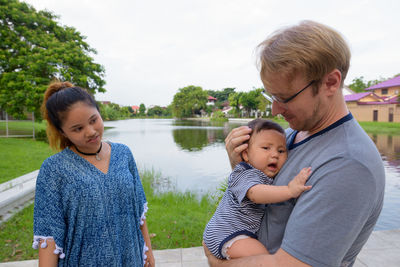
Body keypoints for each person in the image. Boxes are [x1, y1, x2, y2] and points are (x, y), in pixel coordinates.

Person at [203, 20, 385, 267]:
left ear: (330, 83)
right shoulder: (288, 137)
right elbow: (258, 201)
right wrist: (241, 166)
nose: (275, 110)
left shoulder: (348, 164)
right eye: (271, 97)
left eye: (284, 98)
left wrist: (218, 263)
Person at [32, 81, 155, 267]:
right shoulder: (54, 169)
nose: (91, 132)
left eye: (93, 120)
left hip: (131, 259)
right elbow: (48, 239)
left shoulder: (123, 154)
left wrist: (148, 255)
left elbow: (138, 214)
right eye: (78, 128)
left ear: (99, 113)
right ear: (62, 131)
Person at [203, 119, 312, 260]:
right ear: (246, 154)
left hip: (239, 233)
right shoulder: (243, 173)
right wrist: (290, 190)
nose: (274, 155)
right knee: (264, 259)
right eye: (266, 148)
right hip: (228, 234)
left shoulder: (264, 175)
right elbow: (255, 193)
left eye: (281, 150)